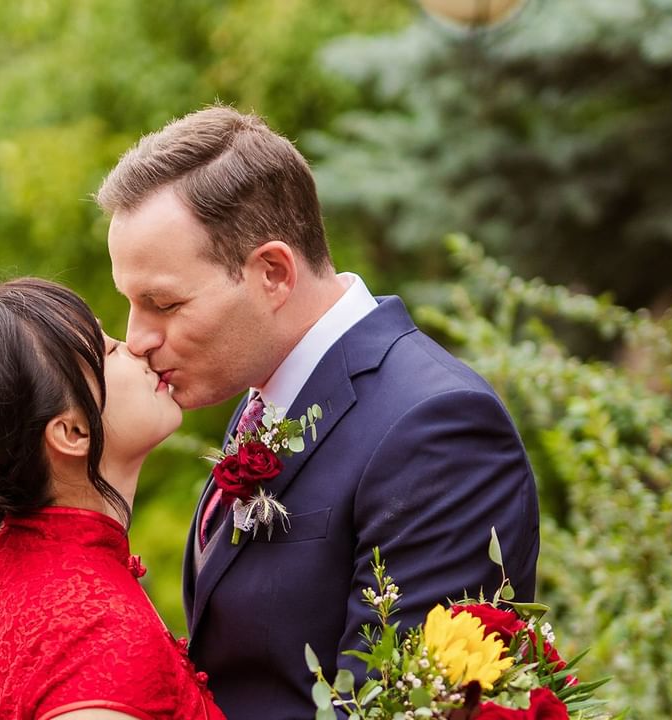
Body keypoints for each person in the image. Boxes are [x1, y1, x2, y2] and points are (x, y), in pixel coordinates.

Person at [97, 106, 541, 719]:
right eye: (131, 304)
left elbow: (399, 705)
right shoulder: (265, 400)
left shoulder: (437, 428)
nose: (138, 338)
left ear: (272, 273)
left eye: (163, 303)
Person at [0, 278, 224, 720]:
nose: (136, 347)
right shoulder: (99, 629)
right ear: (73, 432)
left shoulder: (0, 578)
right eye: (110, 351)